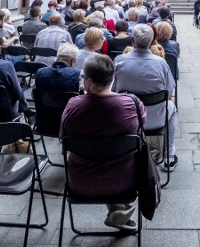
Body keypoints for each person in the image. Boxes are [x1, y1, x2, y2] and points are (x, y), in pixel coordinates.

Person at [61, 54, 145, 232]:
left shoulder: (73, 105)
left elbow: (62, 137)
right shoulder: (132, 103)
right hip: (125, 182)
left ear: (89, 80)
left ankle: (116, 209)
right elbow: (142, 126)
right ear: (111, 78)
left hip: (80, 183)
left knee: (99, 156)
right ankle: (117, 208)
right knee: (111, 158)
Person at [113, 24, 178, 169]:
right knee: (172, 108)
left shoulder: (119, 60)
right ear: (151, 41)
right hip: (155, 119)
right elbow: (169, 90)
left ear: (132, 40)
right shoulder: (161, 63)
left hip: (126, 117)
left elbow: (113, 89)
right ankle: (169, 156)